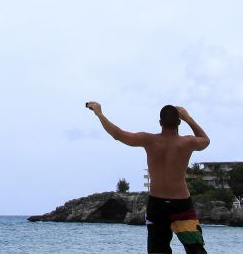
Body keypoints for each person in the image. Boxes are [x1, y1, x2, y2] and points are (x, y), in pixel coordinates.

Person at [85, 101, 210, 254]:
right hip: (182, 205)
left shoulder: (149, 140)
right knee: (196, 249)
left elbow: (118, 134)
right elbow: (205, 140)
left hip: (157, 205)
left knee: (158, 250)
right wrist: (188, 118)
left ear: (160, 123)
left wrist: (99, 113)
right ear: (179, 122)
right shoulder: (188, 142)